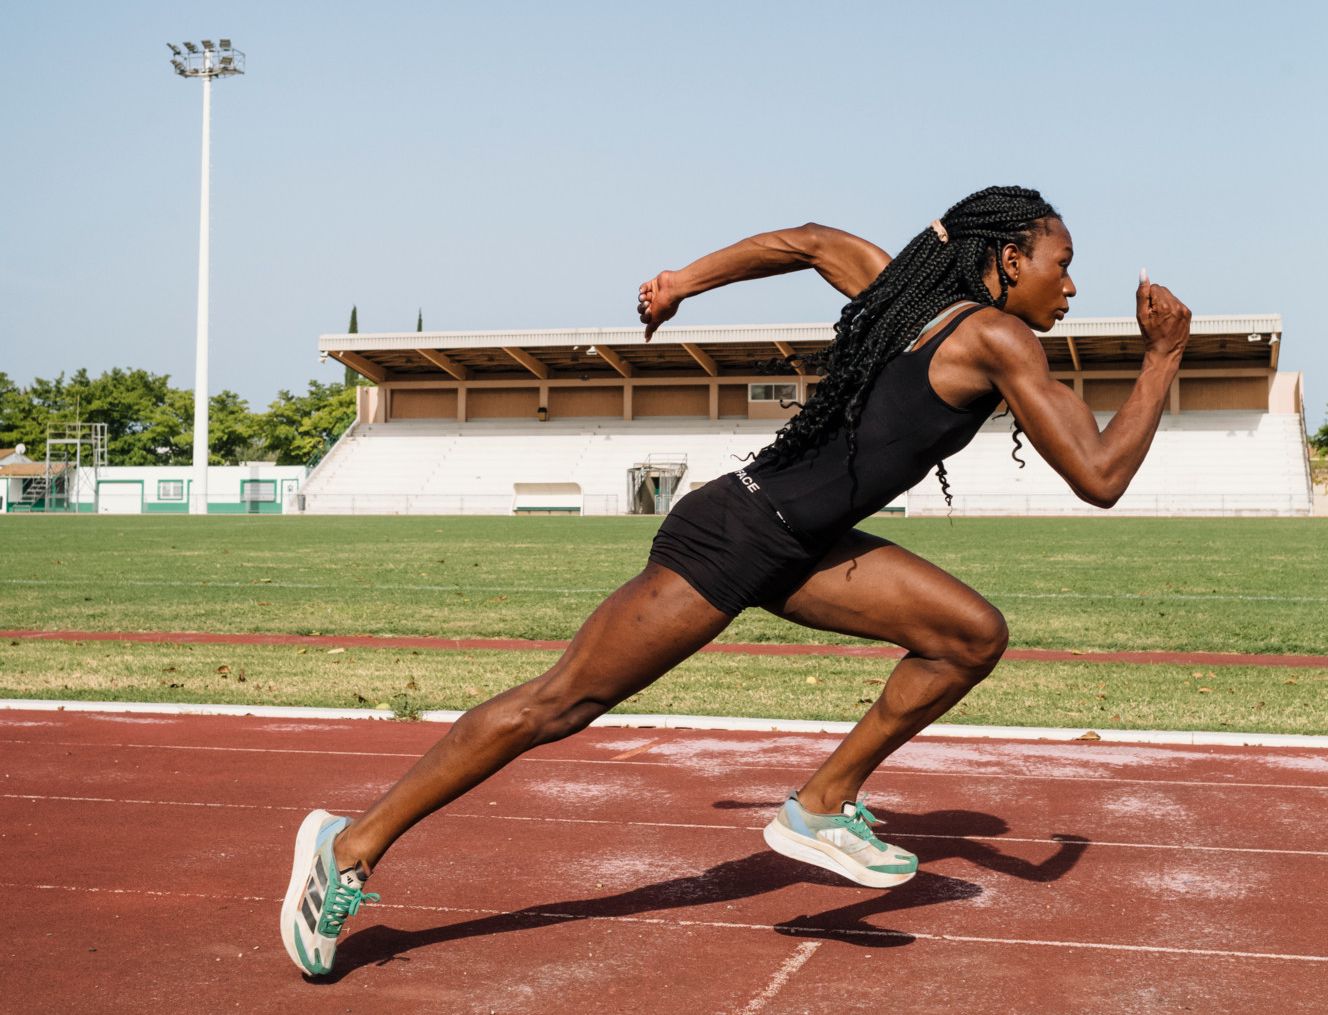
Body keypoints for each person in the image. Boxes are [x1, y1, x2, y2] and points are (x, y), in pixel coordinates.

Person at [281, 185, 1190, 974]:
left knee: (968, 635)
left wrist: (680, 281)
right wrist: (1162, 355)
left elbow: (806, 241)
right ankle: (349, 846)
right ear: (1004, 259)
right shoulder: (996, 337)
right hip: (737, 534)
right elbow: (1100, 476)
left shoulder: (897, 290)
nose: (1070, 285)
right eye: (1061, 264)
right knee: (557, 704)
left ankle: (822, 802)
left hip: (802, 544)